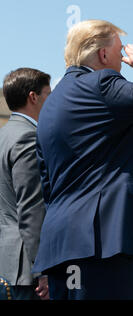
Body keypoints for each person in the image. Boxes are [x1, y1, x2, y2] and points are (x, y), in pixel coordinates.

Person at [31, 20, 133, 300]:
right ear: (103, 55)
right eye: (120, 52)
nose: (123, 61)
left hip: (62, 245)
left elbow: (47, 184)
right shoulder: (101, 83)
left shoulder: (50, 104)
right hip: (101, 242)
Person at [0, 68, 51, 300]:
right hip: (23, 270)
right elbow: (31, 208)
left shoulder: (4, 136)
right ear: (33, 97)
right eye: (47, 96)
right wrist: (42, 269)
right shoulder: (27, 137)